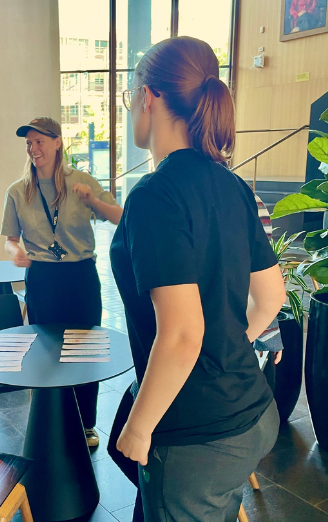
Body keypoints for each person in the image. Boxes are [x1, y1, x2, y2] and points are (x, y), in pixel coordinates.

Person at [110, 36, 285, 522]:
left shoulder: (154, 196)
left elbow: (184, 335)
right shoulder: (231, 185)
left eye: (130, 98)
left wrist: (139, 428)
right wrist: (229, 345)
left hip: (197, 437)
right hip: (252, 413)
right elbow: (271, 297)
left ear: (149, 96)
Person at [0, 116, 122, 447]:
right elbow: (11, 238)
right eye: (29, 143)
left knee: (86, 349)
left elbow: (120, 217)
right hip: (42, 276)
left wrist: (93, 201)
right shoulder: (18, 191)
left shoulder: (82, 181)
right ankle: (52, 419)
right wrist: (16, 251)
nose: (33, 148)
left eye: (40, 141)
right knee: (46, 349)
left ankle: (86, 424)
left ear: (57, 143)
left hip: (80, 274)